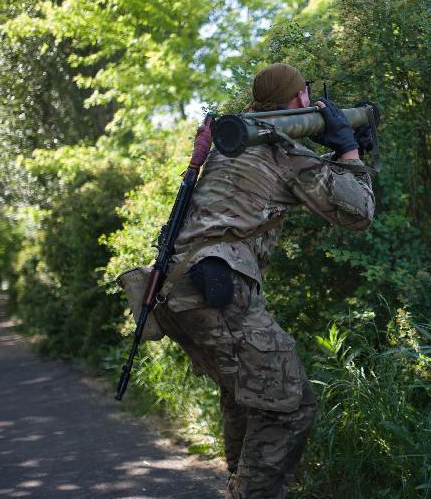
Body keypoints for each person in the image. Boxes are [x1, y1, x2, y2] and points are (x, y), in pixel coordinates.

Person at [153, 63, 375, 498]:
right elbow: (359, 215)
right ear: (297, 101)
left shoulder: (233, 143)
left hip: (176, 290)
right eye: (307, 95)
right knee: (289, 407)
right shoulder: (279, 147)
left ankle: (239, 485)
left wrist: (339, 156)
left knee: (248, 397)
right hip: (219, 291)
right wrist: (349, 153)